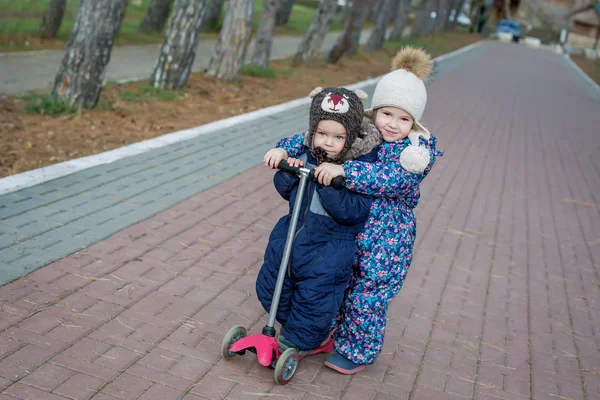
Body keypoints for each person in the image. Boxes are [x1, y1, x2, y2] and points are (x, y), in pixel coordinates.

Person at [268, 47, 443, 373]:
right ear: (374, 112)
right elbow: (317, 136)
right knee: (336, 283)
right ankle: (324, 334)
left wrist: (347, 172)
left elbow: (388, 178)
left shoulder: (414, 154)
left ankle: (357, 350)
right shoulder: (365, 135)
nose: (393, 124)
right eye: (387, 114)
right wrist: (285, 147)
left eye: (404, 119)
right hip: (348, 227)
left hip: (386, 239)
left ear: (414, 123)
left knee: (367, 295)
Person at [256, 86, 382, 354]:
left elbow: (354, 212)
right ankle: (289, 326)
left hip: (329, 250)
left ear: (349, 139)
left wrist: (330, 184)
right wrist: (288, 167)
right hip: (291, 237)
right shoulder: (307, 154)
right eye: (322, 134)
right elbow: (285, 189)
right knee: (271, 287)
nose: (327, 142)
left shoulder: (357, 170)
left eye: (337, 137)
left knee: (315, 300)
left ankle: (299, 341)